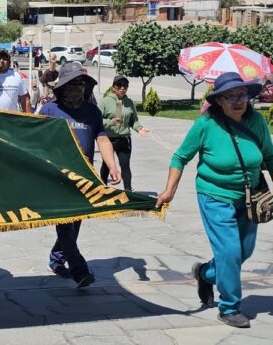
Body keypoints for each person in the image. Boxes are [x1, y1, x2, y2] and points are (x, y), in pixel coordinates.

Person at [156, 72, 272, 328]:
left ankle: (206, 274)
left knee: (243, 252)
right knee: (230, 252)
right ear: (219, 100)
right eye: (230, 96)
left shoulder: (257, 122)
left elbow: (270, 157)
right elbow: (180, 157)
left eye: (241, 94)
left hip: (250, 198)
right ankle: (229, 307)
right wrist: (169, 191)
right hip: (214, 195)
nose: (238, 100)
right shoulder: (206, 125)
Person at [38, 62, 121, 288]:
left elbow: (102, 139)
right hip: (58, 178)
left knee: (75, 222)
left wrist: (111, 165)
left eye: (81, 84)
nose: (77, 88)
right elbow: (35, 141)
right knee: (65, 223)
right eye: (72, 84)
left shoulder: (91, 112)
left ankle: (57, 257)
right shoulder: (49, 111)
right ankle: (79, 269)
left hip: (84, 177)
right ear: (62, 87)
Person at [98, 75, 150, 191]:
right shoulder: (105, 101)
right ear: (113, 87)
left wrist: (139, 128)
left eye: (125, 86)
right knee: (106, 165)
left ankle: (128, 190)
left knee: (125, 165)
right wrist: (110, 122)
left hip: (124, 139)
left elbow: (134, 120)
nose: (122, 88)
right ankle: (102, 189)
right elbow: (96, 120)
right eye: (119, 85)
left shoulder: (129, 102)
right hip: (108, 140)